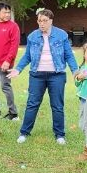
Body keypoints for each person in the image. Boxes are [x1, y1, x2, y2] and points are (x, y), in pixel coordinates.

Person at [10, 8, 79, 145]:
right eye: (39, 21)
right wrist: (18, 69)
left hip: (57, 75)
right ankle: (24, 133)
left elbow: (69, 55)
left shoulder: (62, 35)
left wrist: (75, 71)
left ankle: (59, 135)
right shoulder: (32, 36)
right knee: (32, 104)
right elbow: (27, 56)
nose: (42, 24)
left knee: (57, 106)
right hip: (37, 75)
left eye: (45, 21)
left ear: (51, 21)